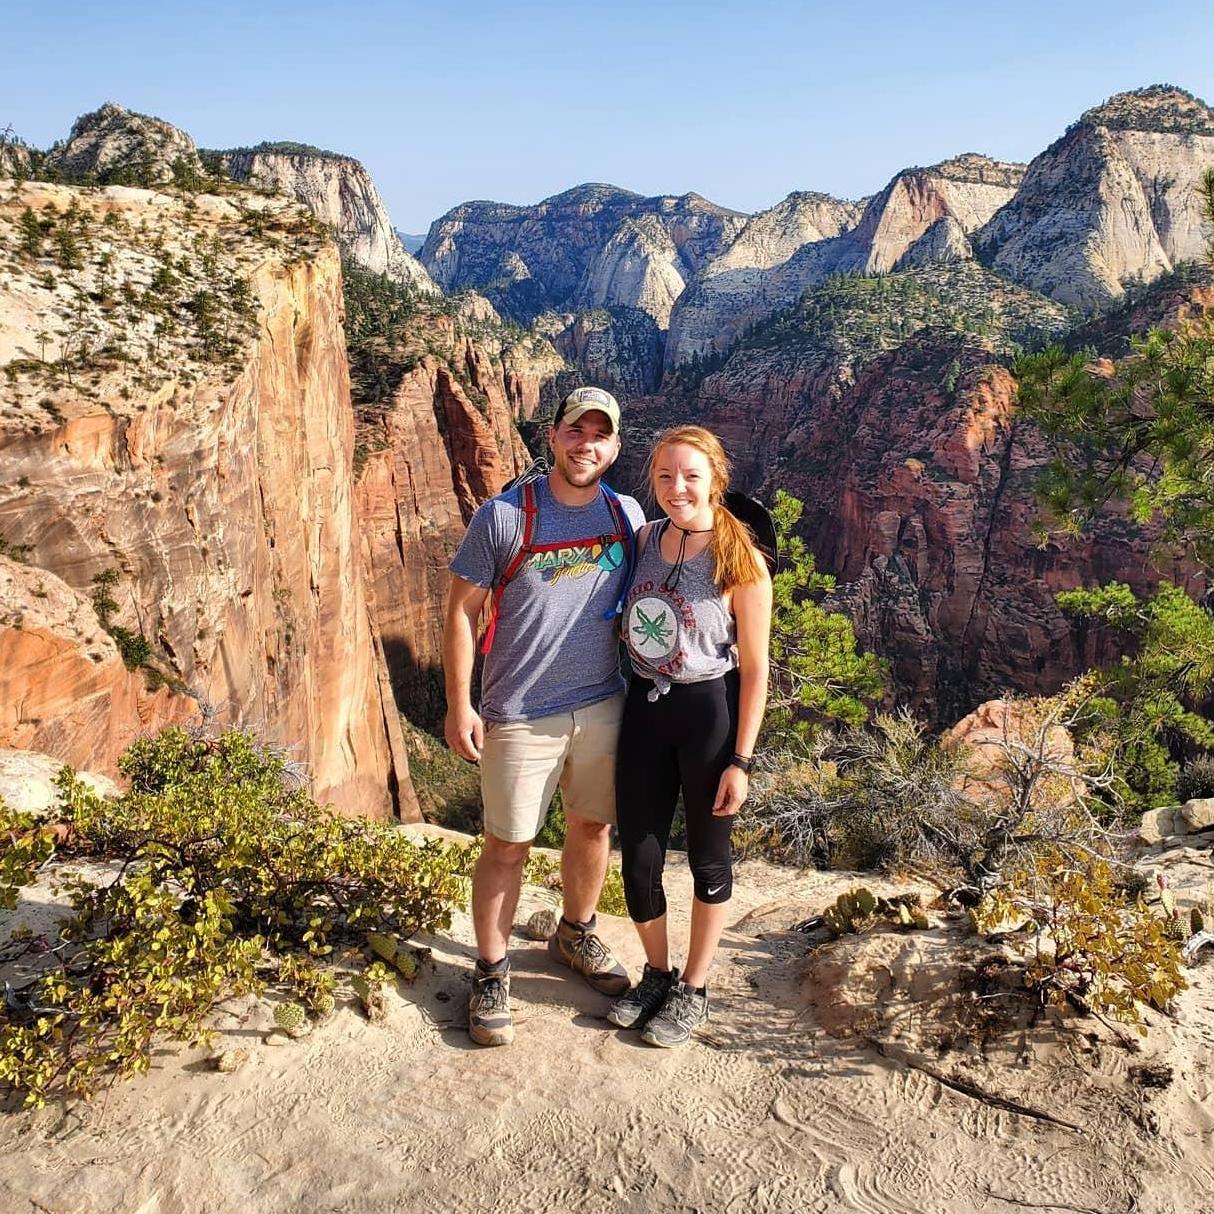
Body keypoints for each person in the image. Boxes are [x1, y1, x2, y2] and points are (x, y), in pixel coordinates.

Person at [443, 385, 646, 1047]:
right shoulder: (504, 518)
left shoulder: (627, 515)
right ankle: (493, 968)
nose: (586, 445)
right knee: (507, 846)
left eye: (600, 435)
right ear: (552, 436)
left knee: (592, 827)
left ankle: (575, 933)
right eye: (575, 432)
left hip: (602, 702)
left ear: (615, 447)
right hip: (519, 713)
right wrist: (459, 704)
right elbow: (459, 611)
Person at [608, 425, 772, 1047]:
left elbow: (756, 669)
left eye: (691, 476)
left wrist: (742, 760)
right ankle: (656, 972)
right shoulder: (647, 539)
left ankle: (694, 987)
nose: (677, 488)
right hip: (644, 713)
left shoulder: (742, 561)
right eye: (665, 476)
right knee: (641, 857)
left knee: (707, 857)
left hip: (709, 715)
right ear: (652, 481)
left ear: (715, 481)